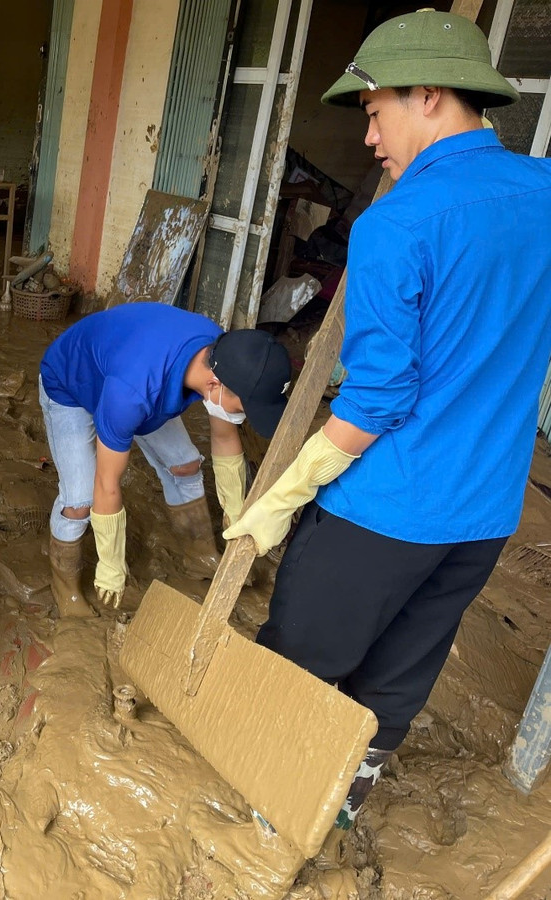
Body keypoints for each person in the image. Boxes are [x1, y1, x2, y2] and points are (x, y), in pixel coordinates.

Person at [224, 9, 551, 837]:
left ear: (430, 96)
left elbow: (372, 404)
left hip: (384, 509)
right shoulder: (543, 196)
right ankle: (336, 805)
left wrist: (281, 498)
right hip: (484, 512)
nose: (369, 139)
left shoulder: (398, 222)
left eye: (374, 112)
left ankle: (269, 818)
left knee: (296, 667)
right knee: (401, 674)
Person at [38, 302, 291, 615]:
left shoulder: (227, 358)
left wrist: (235, 512)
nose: (244, 414)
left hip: (129, 370)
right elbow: (107, 481)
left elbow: (225, 436)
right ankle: (67, 591)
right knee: (79, 501)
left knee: (185, 465)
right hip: (71, 386)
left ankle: (199, 556)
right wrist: (112, 564)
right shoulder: (133, 394)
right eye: (245, 407)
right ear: (214, 385)